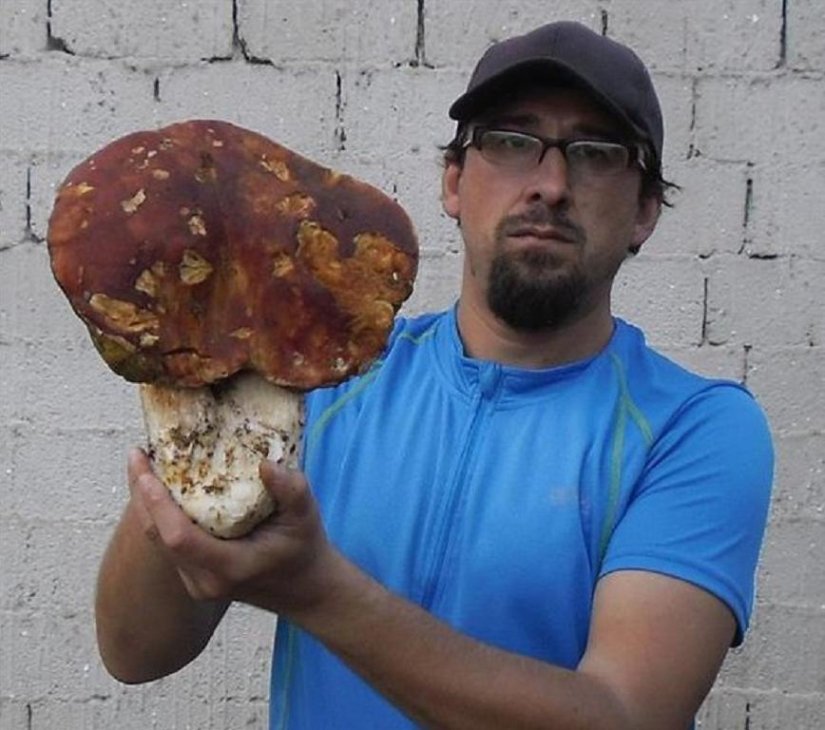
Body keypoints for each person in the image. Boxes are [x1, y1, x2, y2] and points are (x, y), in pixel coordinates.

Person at [95, 20, 773, 730]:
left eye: (595, 153)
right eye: (511, 141)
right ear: (454, 181)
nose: (550, 185)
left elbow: (624, 715)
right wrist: (193, 376)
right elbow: (136, 651)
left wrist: (318, 591)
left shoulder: (693, 430)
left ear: (644, 212)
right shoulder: (322, 379)